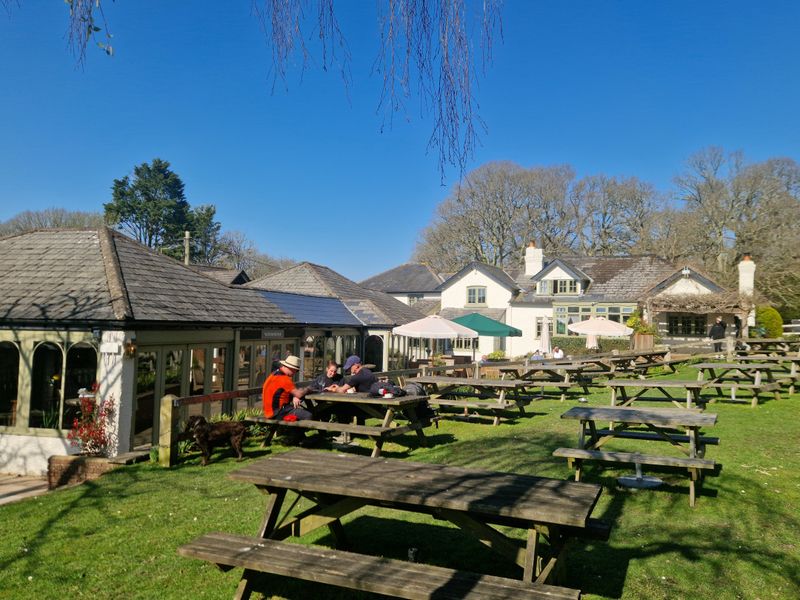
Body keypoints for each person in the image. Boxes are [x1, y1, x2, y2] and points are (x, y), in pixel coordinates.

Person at [261, 355, 312, 422]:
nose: (295, 373)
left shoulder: (274, 374)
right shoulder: (284, 379)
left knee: (299, 411)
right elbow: (299, 394)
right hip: (278, 413)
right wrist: (310, 389)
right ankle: (297, 430)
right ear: (292, 369)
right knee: (308, 415)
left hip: (269, 412)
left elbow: (290, 392)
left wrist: (294, 396)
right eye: (296, 371)